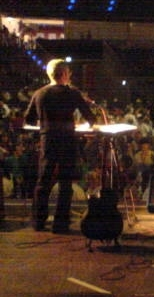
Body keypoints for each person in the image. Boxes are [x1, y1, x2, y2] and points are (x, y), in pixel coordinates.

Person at [24, 58, 96, 233]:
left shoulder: (39, 94)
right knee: (65, 183)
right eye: (69, 73)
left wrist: (46, 123)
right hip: (68, 141)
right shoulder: (72, 93)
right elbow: (91, 119)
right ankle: (60, 224)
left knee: (43, 181)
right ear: (64, 74)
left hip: (47, 140)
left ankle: (38, 222)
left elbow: (28, 120)